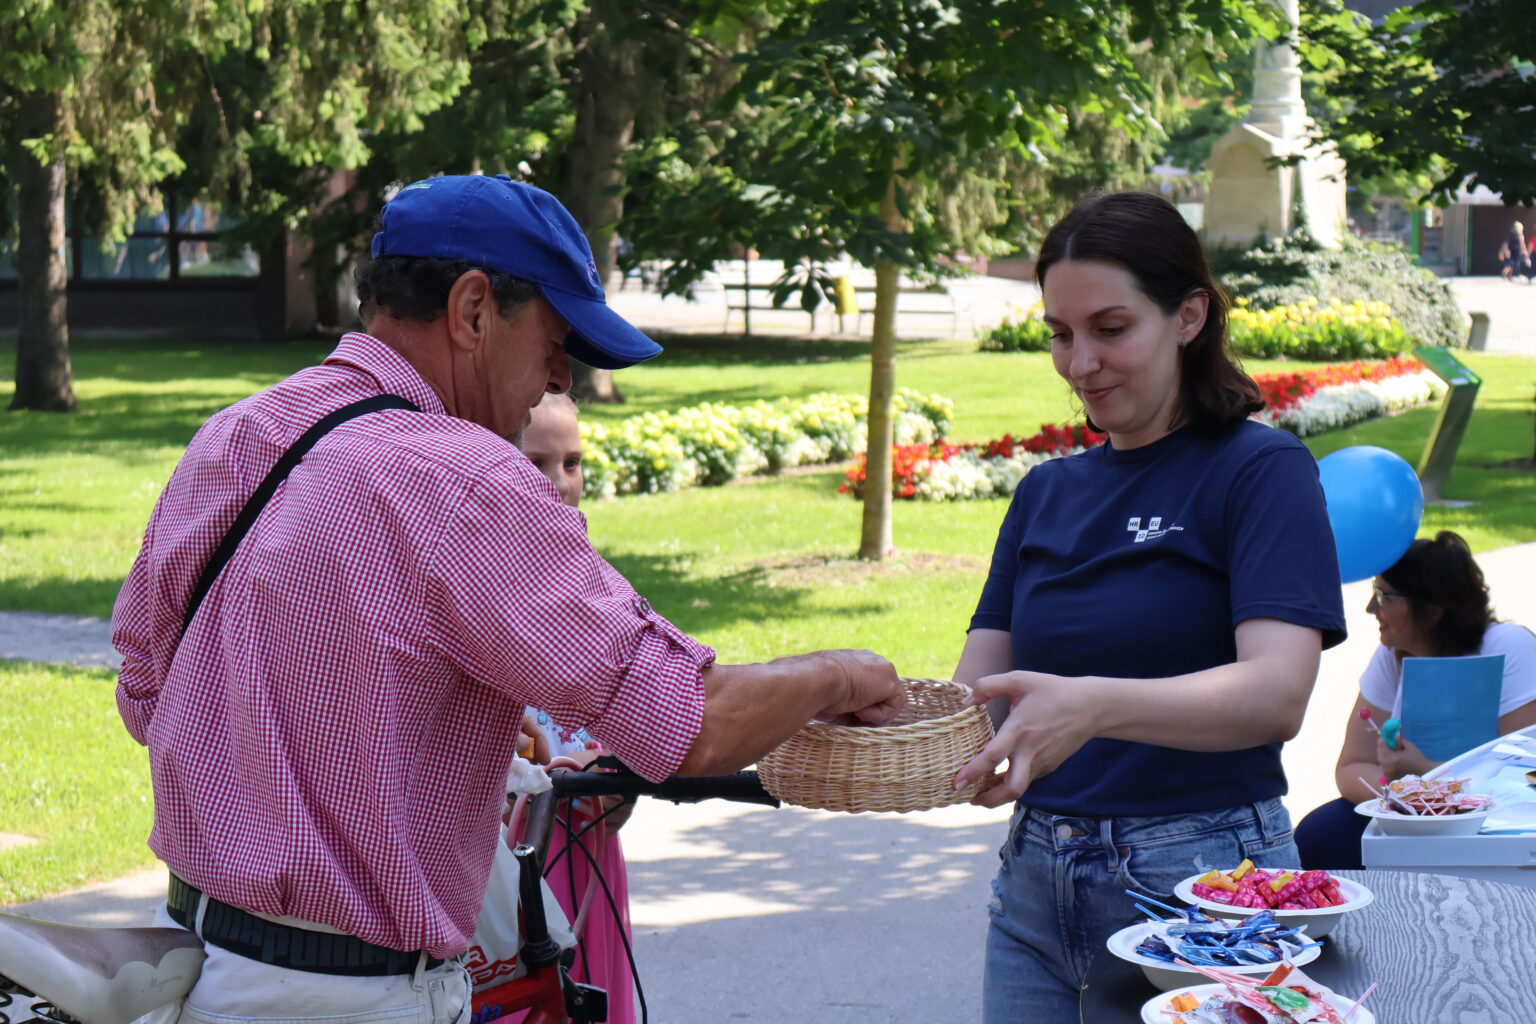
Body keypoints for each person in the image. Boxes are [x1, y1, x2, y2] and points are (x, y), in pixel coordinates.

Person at [112, 173, 904, 1023]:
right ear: (473, 310)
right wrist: (841, 673)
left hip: (194, 962)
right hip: (351, 995)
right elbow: (691, 724)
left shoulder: (240, 431)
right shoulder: (469, 480)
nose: (561, 378)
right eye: (556, 341)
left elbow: (145, 690)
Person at [948, 191, 1347, 1023]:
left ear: (1188, 316)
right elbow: (976, 700)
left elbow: (1277, 695)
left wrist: (1091, 706)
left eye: (1110, 328)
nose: (1080, 363)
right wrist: (860, 713)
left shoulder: (1260, 469)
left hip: (1206, 890)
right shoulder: (1045, 491)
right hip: (1035, 881)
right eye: (1060, 334)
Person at [1295, 531, 1536, 869]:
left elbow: (1523, 775)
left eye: (1384, 596)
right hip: (1402, 814)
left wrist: (1423, 775)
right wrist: (1402, 795)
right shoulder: (1391, 653)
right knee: (1316, 836)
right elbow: (1351, 768)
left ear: (1433, 610)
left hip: (1492, 820)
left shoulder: (1508, 646)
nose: (1370, 608)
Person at [513, 392, 640, 1023]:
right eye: (537, 463)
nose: (560, 483)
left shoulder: (600, 586)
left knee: (589, 997)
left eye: (572, 463)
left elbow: (629, 718)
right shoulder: (478, 585)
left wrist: (619, 777)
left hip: (587, 843)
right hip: (510, 852)